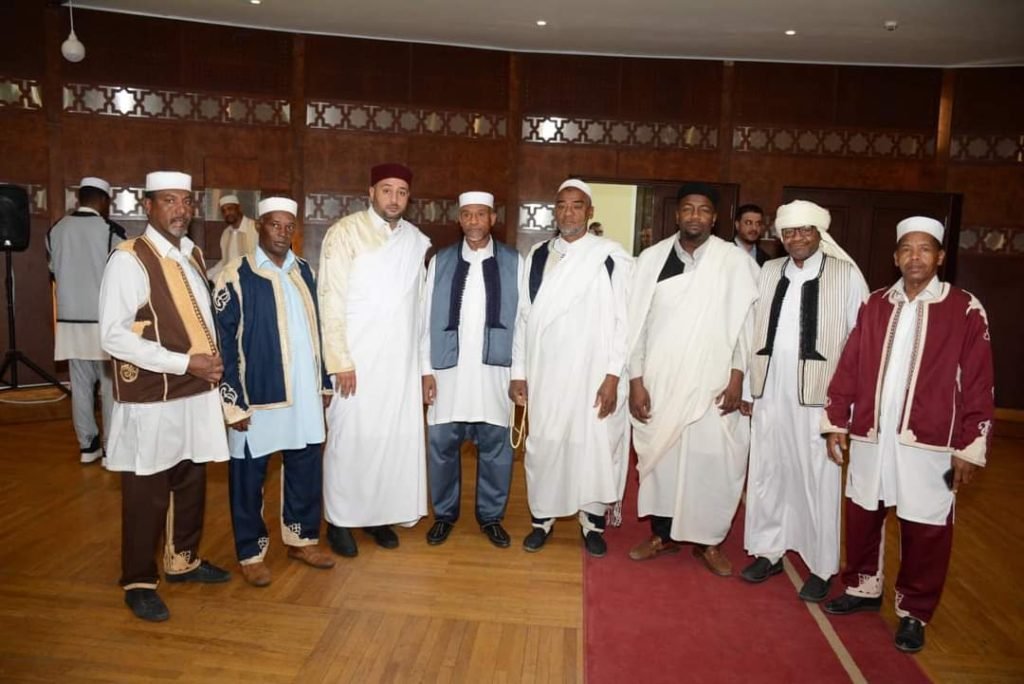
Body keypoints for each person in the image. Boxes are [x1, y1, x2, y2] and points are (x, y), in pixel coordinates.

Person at [821, 216, 994, 653]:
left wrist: (971, 446)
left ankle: (914, 612)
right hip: (871, 434)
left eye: (925, 249)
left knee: (926, 527)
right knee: (863, 513)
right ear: (896, 257)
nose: (915, 257)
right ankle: (862, 587)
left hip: (932, 443)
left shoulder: (965, 307)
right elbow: (849, 365)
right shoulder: (876, 303)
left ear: (940, 256)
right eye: (907, 249)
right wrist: (836, 420)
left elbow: (979, 380)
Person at [98, 171, 231, 622]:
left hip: (196, 390)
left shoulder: (190, 253)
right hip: (154, 394)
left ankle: (183, 560)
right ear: (148, 206)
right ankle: (138, 580)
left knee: (190, 478)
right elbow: (113, 335)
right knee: (147, 490)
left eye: (186, 201)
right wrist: (184, 363)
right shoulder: (129, 258)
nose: (181, 209)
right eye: (169, 200)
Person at [626, 182, 758, 577]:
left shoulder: (734, 262)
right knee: (663, 464)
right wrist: (636, 380)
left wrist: (737, 379)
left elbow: (746, 326)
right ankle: (662, 535)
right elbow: (636, 327)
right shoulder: (651, 259)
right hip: (661, 382)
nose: (695, 216)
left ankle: (708, 542)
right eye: (688, 208)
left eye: (703, 210)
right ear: (677, 214)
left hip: (714, 385)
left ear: (714, 218)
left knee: (711, 465)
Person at [741, 200, 868, 601]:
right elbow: (750, 330)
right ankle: (768, 550)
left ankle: (821, 565)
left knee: (817, 478)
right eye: (789, 232)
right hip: (769, 390)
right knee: (768, 471)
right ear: (780, 236)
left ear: (819, 233)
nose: (797, 238)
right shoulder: (768, 271)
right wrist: (747, 389)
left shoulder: (845, 275)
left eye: (805, 230)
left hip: (820, 399)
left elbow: (860, 343)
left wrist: (846, 408)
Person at [214, 197, 336, 587]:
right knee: (248, 476)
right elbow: (223, 342)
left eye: (289, 226)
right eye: (274, 225)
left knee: (305, 467)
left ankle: (302, 539)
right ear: (259, 226)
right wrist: (233, 402)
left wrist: (324, 381)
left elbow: (320, 330)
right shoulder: (236, 275)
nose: (282, 233)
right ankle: (250, 553)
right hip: (257, 395)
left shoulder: (305, 271)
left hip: (303, 393)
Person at [510, 178, 632, 558]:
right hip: (546, 373)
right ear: (555, 211)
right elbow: (524, 318)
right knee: (545, 445)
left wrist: (613, 376)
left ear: (590, 211)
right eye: (562, 205)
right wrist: (518, 372)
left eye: (577, 205)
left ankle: (592, 523)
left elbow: (624, 322)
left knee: (593, 446)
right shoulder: (537, 256)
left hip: (595, 374)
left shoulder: (610, 257)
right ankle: (542, 521)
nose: (568, 212)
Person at [318, 163, 430, 557]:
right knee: (349, 440)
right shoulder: (345, 233)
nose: (394, 199)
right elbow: (330, 299)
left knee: (388, 442)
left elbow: (420, 310)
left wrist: (421, 368)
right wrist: (339, 361)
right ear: (371, 192)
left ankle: (378, 515)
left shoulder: (416, 241)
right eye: (386, 190)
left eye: (401, 192)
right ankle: (339, 520)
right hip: (356, 361)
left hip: (399, 364)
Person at [421, 191, 521, 548]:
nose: (474, 221)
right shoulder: (441, 261)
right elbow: (424, 319)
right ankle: (444, 515)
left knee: (496, 450)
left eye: (481, 214)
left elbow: (523, 322)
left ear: (493, 218)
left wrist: (520, 373)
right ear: (459, 219)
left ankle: (491, 517)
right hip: (447, 373)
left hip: (495, 374)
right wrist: (425, 370)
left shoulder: (514, 261)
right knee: (441, 447)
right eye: (467, 214)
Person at [47, 176, 126, 464]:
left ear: (79, 198)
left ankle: (87, 446)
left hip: (69, 322)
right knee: (109, 388)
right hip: (102, 321)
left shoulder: (56, 230)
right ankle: (110, 449)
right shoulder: (110, 231)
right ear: (103, 201)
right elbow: (124, 273)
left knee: (79, 386)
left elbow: (53, 270)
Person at [208, 194, 257, 280]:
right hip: (231, 280)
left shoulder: (255, 228)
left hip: (252, 279)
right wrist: (207, 275)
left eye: (230, 208)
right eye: (223, 211)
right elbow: (226, 262)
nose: (227, 213)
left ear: (239, 208)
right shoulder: (226, 233)